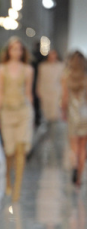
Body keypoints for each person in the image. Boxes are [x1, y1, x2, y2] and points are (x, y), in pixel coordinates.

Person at [0, 36, 34, 202]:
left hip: (23, 111)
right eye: (13, 48)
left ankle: (17, 189)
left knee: (21, 148)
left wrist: (32, 116)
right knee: (9, 150)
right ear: (8, 51)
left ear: (22, 51)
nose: (16, 52)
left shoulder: (28, 69)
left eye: (19, 49)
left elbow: (29, 93)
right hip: (7, 112)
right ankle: (9, 181)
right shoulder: (1, 69)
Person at [62, 51, 87, 186]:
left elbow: (65, 98)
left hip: (73, 114)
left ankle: (74, 166)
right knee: (83, 147)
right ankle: (79, 178)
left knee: (74, 146)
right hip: (85, 115)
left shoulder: (67, 76)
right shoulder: (85, 77)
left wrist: (63, 112)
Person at [36, 49, 64, 122]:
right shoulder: (42, 66)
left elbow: (62, 80)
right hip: (45, 91)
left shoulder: (60, 66)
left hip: (55, 91)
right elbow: (40, 79)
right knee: (45, 112)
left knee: (54, 112)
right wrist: (39, 91)